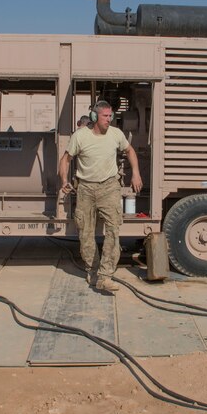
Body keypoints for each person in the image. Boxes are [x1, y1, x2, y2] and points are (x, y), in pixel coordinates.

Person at [59, 100, 142, 293]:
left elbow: (130, 150)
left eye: (110, 115)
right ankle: (93, 271)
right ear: (95, 117)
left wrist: (136, 173)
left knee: (113, 230)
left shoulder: (116, 134)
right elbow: (66, 159)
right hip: (86, 189)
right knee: (85, 233)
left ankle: (105, 276)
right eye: (105, 116)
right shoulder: (80, 136)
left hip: (109, 187)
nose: (109, 119)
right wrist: (64, 180)